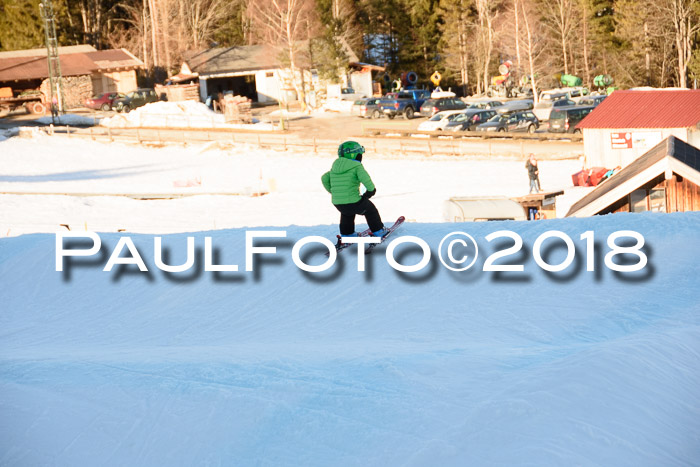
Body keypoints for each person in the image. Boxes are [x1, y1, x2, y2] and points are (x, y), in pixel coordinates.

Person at [322, 141, 387, 238]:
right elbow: (366, 179)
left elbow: (324, 178)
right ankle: (378, 231)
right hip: (354, 201)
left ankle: (347, 234)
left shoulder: (334, 167)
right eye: (359, 154)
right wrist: (370, 191)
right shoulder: (357, 166)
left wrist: (333, 191)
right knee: (370, 210)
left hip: (337, 202)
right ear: (355, 155)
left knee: (347, 213)